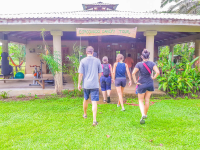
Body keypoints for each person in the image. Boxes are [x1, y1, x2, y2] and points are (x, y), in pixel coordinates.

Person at [132, 49, 160, 124]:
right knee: (147, 100)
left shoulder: (139, 64)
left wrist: (135, 82)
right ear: (148, 56)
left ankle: (143, 114)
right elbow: (157, 72)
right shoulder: (152, 63)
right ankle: (145, 114)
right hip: (150, 83)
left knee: (141, 100)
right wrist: (153, 77)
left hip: (141, 83)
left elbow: (133, 73)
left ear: (141, 56)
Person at [78, 46, 103, 126]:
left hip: (86, 84)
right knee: (94, 101)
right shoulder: (97, 60)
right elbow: (100, 73)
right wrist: (97, 79)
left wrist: (79, 84)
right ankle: (94, 120)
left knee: (85, 99)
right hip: (94, 84)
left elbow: (80, 74)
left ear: (86, 52)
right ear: (92, 52)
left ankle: (85, 114)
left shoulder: (82, 61)